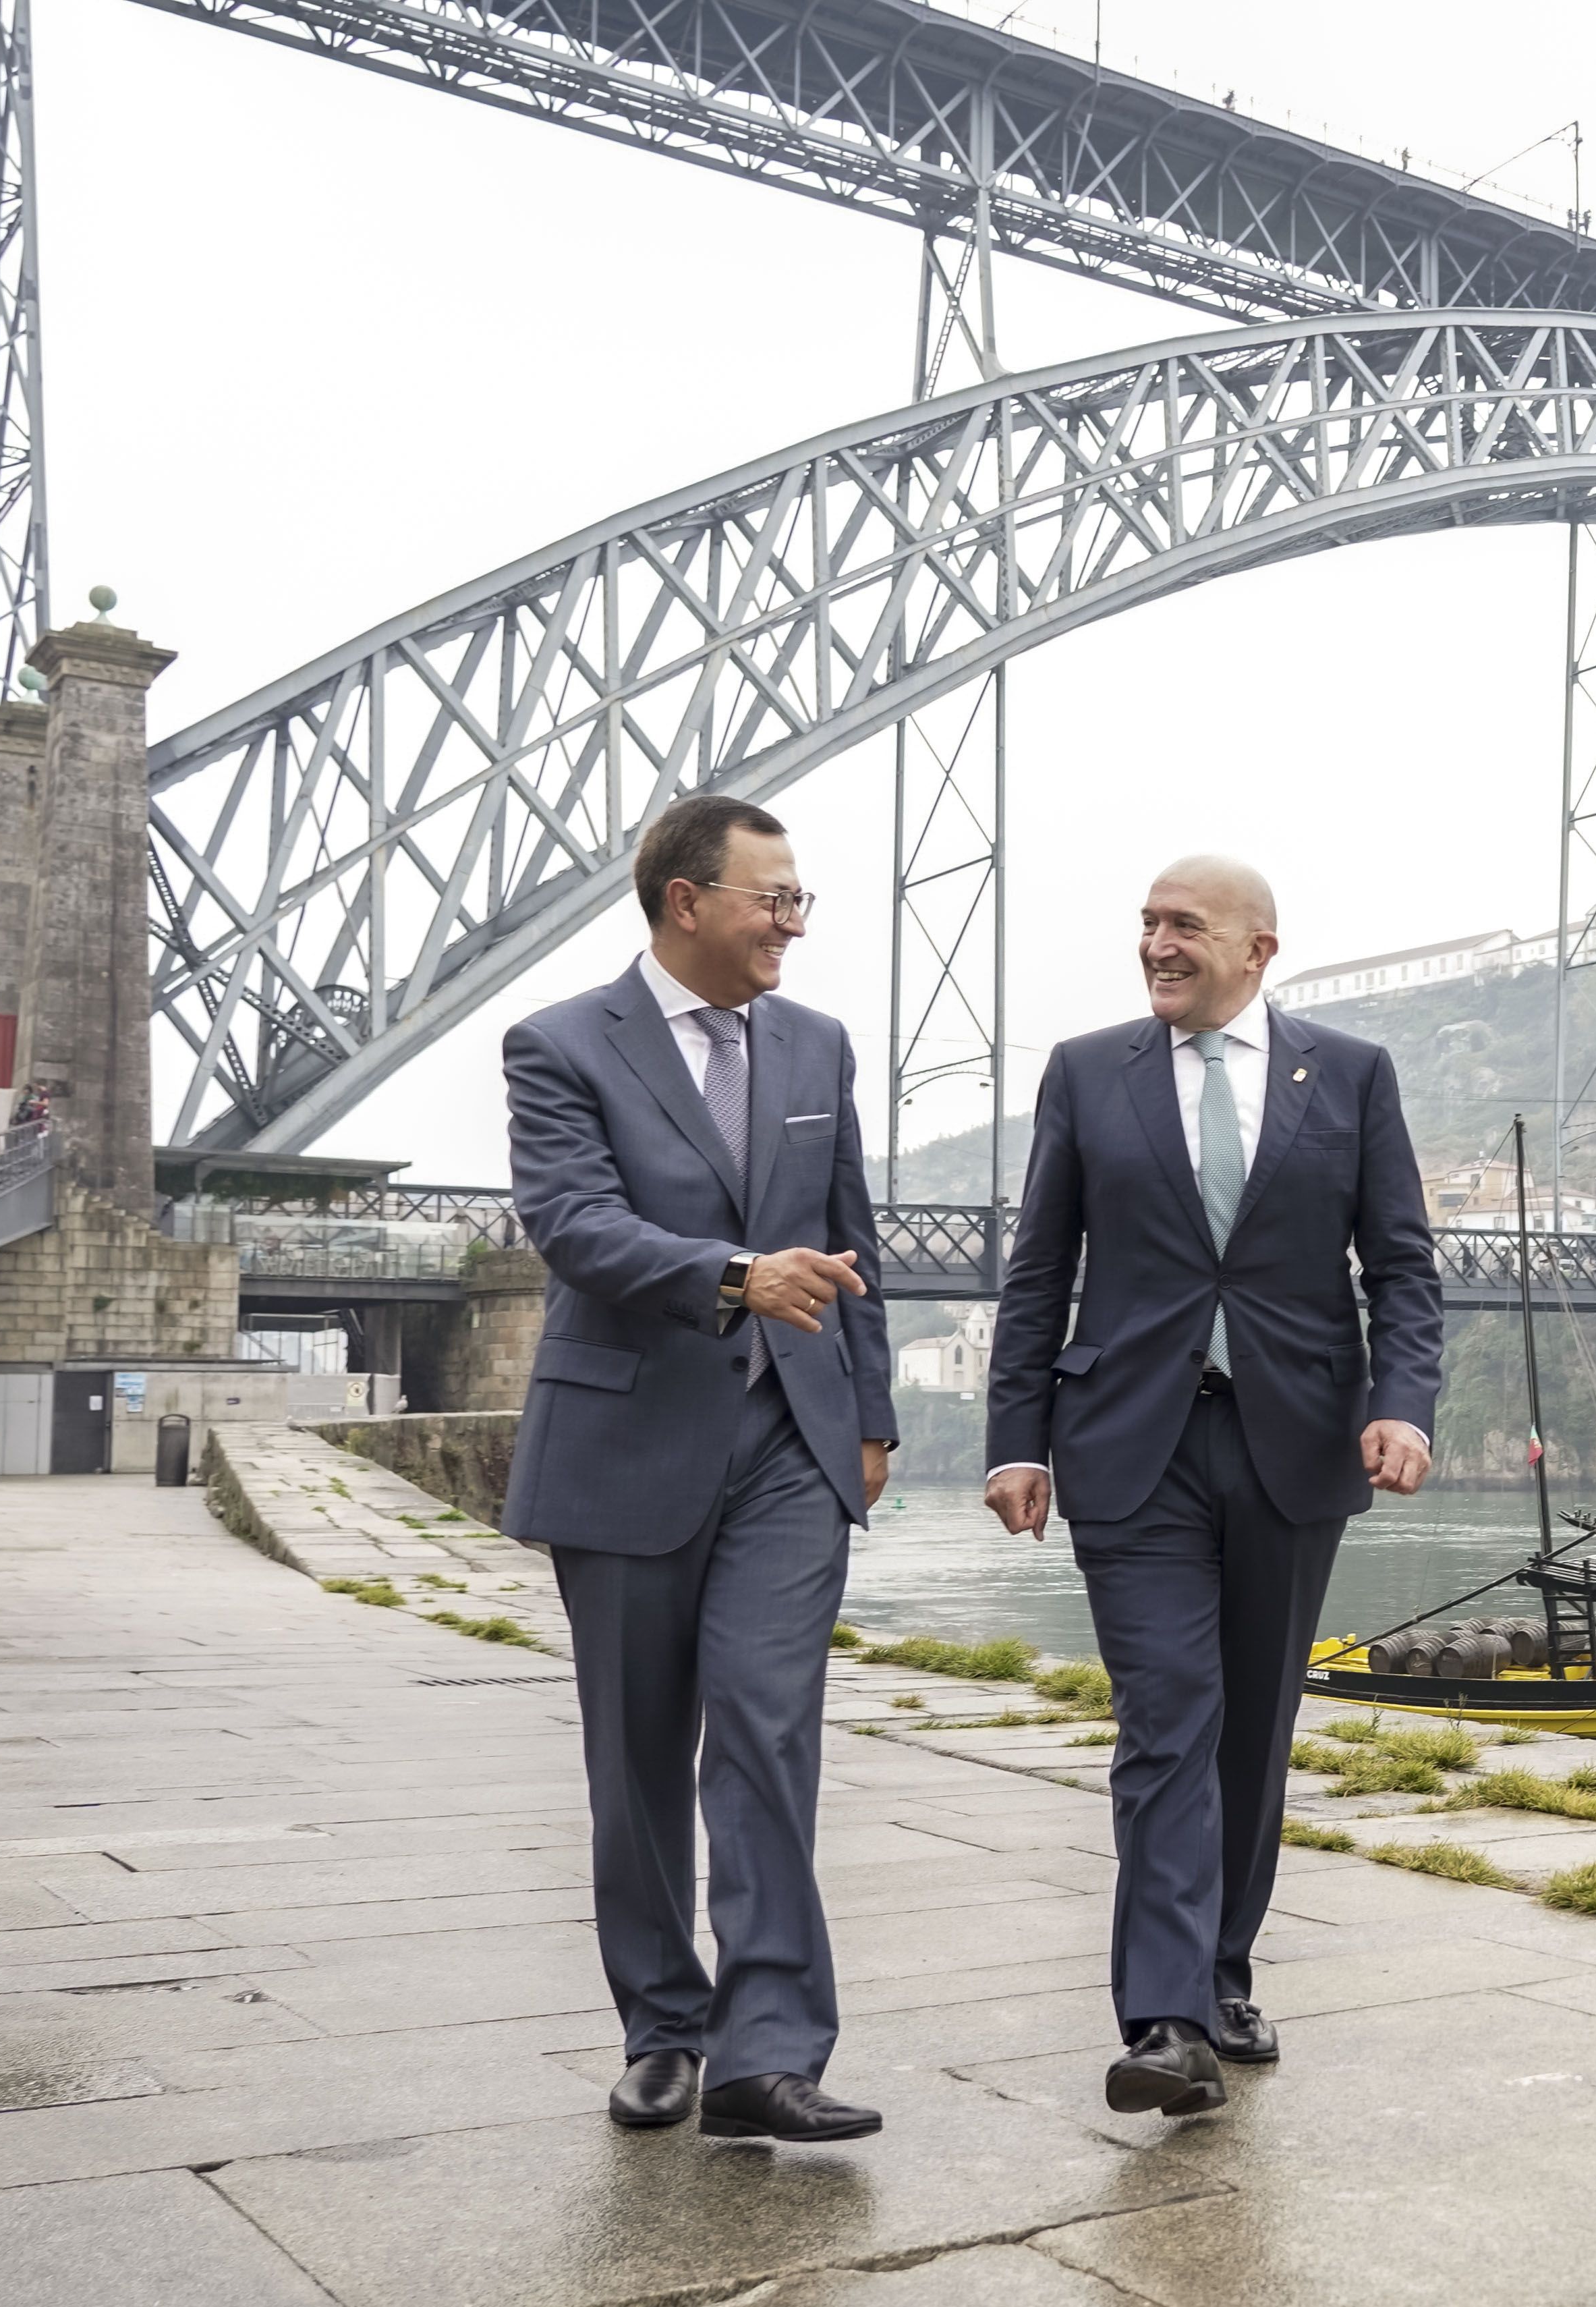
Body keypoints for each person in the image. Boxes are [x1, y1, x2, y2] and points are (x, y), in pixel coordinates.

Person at [983, 855, 1440, 2117]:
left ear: (1258, 948)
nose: (1156, 945)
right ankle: (1166, 2019)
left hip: (1294, 1444)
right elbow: (1039, 1272)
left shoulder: (1348, 1074)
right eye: (1144, 925)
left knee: (1252, 1728)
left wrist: (1401, 1404)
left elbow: (1401, 1267)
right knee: (1168, 1719)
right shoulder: (1087, 1072)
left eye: (1182, 926)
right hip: (1130, 1444)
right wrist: (1015, 1439)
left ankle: (1225, 1965)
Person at [502, 794, 898, 2144]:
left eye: (800, 899)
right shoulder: (559, 1044)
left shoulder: (815, 1044)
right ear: (686, 899)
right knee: (637, 1754)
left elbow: (851, 1239)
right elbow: (572, 1223)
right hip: (625, 1439)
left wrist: (874, 1413)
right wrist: (731, 1274)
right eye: (772, 895)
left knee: (767, 1726)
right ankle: (664, 2022)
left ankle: (768, 2048)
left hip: (792, 1440)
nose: (793, 919)